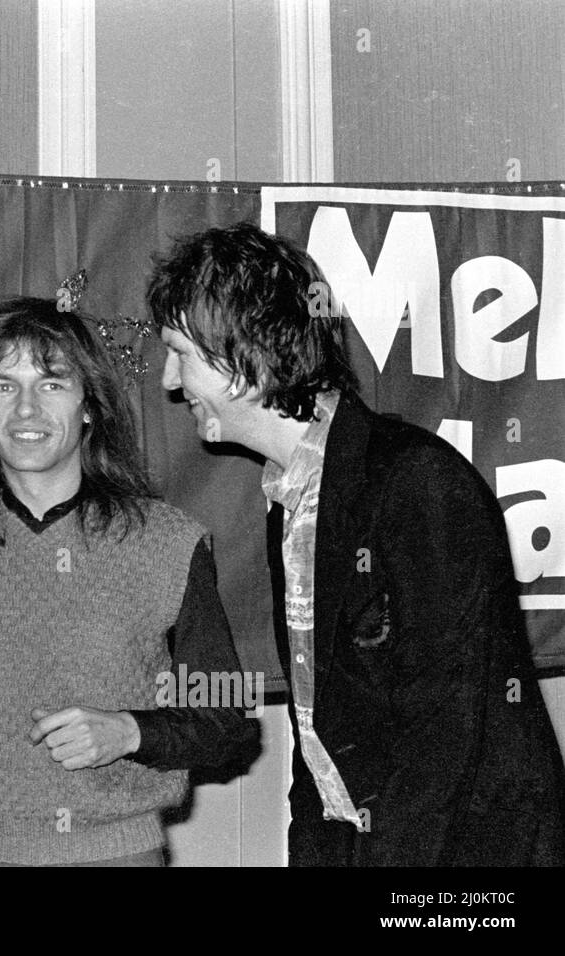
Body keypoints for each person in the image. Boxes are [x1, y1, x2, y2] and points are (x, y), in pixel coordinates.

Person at [147, 220, 565, 866]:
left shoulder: (415, 483)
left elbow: (445, 740)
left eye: (183, 353)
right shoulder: (292, 492)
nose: (171, 382)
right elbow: (321, 736)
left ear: (249, 352)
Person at [0, 296, 259, 866]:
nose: (26, 410)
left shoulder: (167, 544)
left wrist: (130, 733)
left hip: (117, 855)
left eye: (51, 385)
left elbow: (224, 720)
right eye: (3, 386)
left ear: (89, 406)